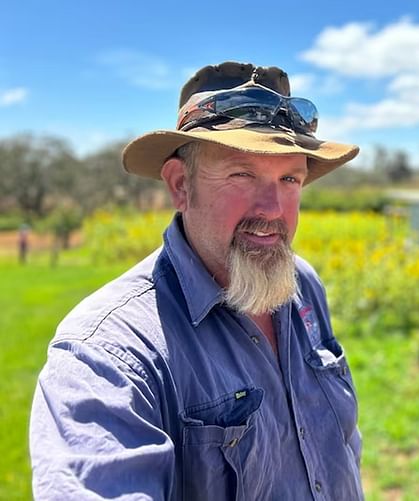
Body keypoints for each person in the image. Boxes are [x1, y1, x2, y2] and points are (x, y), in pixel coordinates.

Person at [29, 62, 363, 500]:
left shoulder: (302, 286)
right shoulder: (108, 356)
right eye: (242, 174)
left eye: (289, 179)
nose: (273, 209)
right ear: (181, 185)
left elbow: (340, 446)